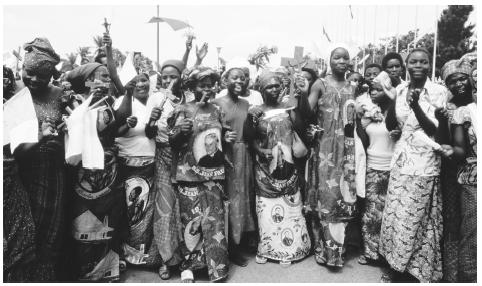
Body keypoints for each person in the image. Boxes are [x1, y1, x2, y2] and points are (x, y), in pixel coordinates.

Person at [379, 48, 449, 282]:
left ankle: (414, 269)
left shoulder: (439, 92)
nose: (418, 65)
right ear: (407, 65)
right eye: (414, 62)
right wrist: (391, 102)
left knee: (415, 218)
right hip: (400, 160)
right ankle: (397, 265)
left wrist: (416, 106)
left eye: (423, 62)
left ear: (430, 66)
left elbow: (436, 131)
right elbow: (392, 122)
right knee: (396, 215)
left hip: (424, 163)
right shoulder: (400, 89)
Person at [4, 38, 66, 280]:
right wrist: (39, 137)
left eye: (42, 75)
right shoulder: (11, 92)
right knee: (23, 235)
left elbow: (70, 133)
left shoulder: (61, 95)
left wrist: (58, 142)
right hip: (21, 175)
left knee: (51, 232)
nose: (33, 80)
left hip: (53, 174)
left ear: (51, 74)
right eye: (28, 73)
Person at [64, 62, 129, 281]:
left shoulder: (110, 101)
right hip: (84, 170)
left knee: (108, 217)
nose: (105, 81)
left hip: (108, 167)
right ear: (87, 79)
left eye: (108, 78)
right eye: (101, 76)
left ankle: (107, 269)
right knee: (84, 217)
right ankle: (86, 270)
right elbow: (73, 129)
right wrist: (89, 103)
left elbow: (117, 124)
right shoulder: (74, 101)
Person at [168, 67, 230, 282]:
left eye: (210, 84)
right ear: (192, 87)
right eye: (202, 84)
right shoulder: (182, 109)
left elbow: (222, 138)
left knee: (215, 222)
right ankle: (189, 267)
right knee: (191, 221)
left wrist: (227, 137)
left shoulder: (217, 110)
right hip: (189, 174)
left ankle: (217, 267)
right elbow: (172, 143)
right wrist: (180, 132)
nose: (207, 88)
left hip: (214, 174)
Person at [245, 71, 311, 266]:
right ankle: (268, 249)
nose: (274, 89)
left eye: (276, 86)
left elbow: (299, 128)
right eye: (269, 86)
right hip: (265, 169)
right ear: (261, 89)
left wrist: (296, 107)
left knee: (291, 207)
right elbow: (248, 138)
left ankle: (291, 250)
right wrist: (259, 147)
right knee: (266, 210)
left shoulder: (289, 106)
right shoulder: (256, 110)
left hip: (289, 168)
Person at [299, 47, 357, 268]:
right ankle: (324, 249)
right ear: (329, 60)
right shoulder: (320, 84)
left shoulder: (353, 86)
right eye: (337, 57)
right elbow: (306, 113)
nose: (342, 61)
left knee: (344, 196)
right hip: (325, 148)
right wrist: (304, 93)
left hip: (348, 148)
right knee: (327, 197)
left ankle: (337, 250)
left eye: (345, 57)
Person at [114, 72, 163, 270]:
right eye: (135, 81)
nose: (140, 84)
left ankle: (145, 256)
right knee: (131, 210)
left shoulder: (155, 102)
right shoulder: (122, 101)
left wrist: (151, 121)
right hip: (128, 164)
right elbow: (116, 130)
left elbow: (152, 134)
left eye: (144, 80)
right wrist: (127, 125)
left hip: (150, 163)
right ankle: (129, 255)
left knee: (147, 211)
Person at [212, 64, 258, 267]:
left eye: (243, 78)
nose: (239, 81)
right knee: (230, 200)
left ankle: (241, 242)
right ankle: (231, 247)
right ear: (225, 81)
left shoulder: (247, 104)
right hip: (227, 156)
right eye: (234, 78)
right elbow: (208, 131)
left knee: (244, 199)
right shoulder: (216, 103)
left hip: (244, 154)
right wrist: (222, 135)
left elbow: (248, 131)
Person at [145, 58, 186, 279]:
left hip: (186, 158)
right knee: (165, 208)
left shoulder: (189, 99)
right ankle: (164, 258)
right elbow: (149, 133)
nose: (169, 80)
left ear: (182, 78)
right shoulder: (157, 98)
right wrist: (151, 122)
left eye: (173, 76)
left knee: (186, 206)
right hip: (163, 156)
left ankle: (187, 257)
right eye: (165, 77)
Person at [437, 57, 476, 282]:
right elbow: (445, 141)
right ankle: (453, 275)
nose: (458, 84)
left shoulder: (477, 103)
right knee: (454, 222)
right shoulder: (449, 108)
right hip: (453, 170)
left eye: (462, 78)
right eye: (452, 81)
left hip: (471, 169)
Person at [355, 72, 396, 265]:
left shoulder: (397, 112)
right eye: (372, 89)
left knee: (391, 213)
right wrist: (366, 117)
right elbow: (361, 137)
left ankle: (389, 255)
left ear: (388, 91)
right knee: (372, 213)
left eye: (379, 89)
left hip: (394, 168)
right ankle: (371, 253)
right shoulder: (370, 112)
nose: (373, 93)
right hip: (372, 167)